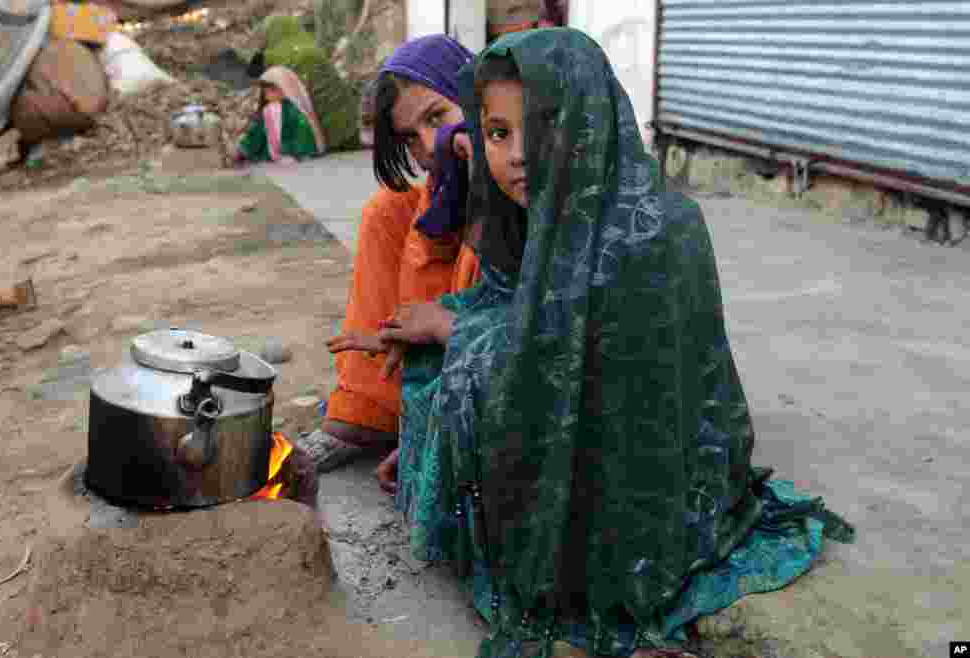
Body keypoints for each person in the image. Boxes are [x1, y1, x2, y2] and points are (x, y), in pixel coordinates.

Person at [333, 28, 855, 658]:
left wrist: (454, 332)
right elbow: (505, 309)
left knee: (461, 358)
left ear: (588, 119)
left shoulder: (652, 231)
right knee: (432, 364)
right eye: (497, 133)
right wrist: (438, 381)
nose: (516, 155)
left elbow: (576, 366)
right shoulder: (529, 214)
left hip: (635, 470)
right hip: (569, 420)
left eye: (541, 126)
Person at [298, 35, 480, 472]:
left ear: (474, 97)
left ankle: (430, 409)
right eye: (410, 138)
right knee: (388, 209)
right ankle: (369, 407)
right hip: (465, 341)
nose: (429, 144)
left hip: (496, 361)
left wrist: (433, 428)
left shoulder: (515, 174)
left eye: (437, 117)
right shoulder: (441, 186)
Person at [233, 66, 327, 165]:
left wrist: (293, 148)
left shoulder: (293, 110)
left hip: (291, 149)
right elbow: (257, 132)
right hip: (272, 151)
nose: (268, 95)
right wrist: (244, 148)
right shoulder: (267, 111)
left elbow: (302, 131)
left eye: (273, 90)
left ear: (286, 88)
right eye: (266, 92)